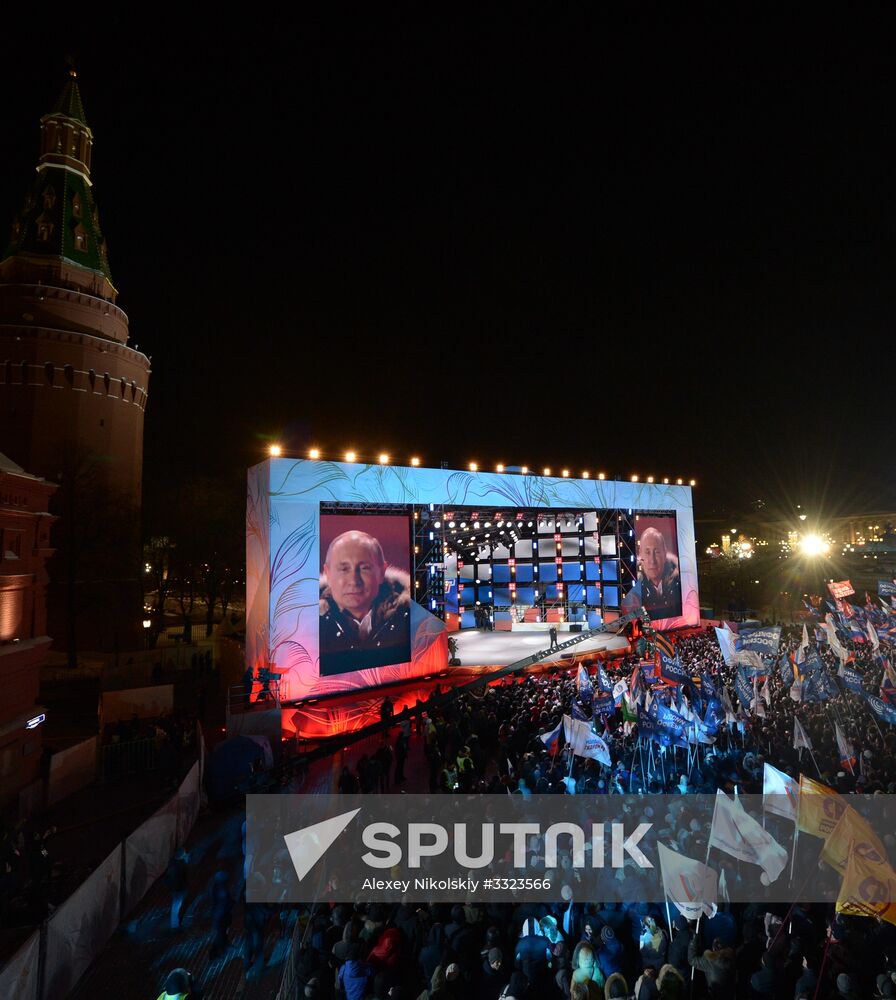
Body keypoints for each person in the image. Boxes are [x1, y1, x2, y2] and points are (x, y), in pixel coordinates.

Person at [319, 530, 412, 676]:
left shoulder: (412, 618)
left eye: (364, 568)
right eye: (344, 569)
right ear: (328, 573)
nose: (354, 581)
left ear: (382, 572)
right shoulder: (304, 624)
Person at [637, 528, 681, 618]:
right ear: (640, 555)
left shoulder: (679, 581)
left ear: (664, 554)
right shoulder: (634, 584)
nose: (652, 561)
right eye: (647, 552)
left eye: (657, 552)